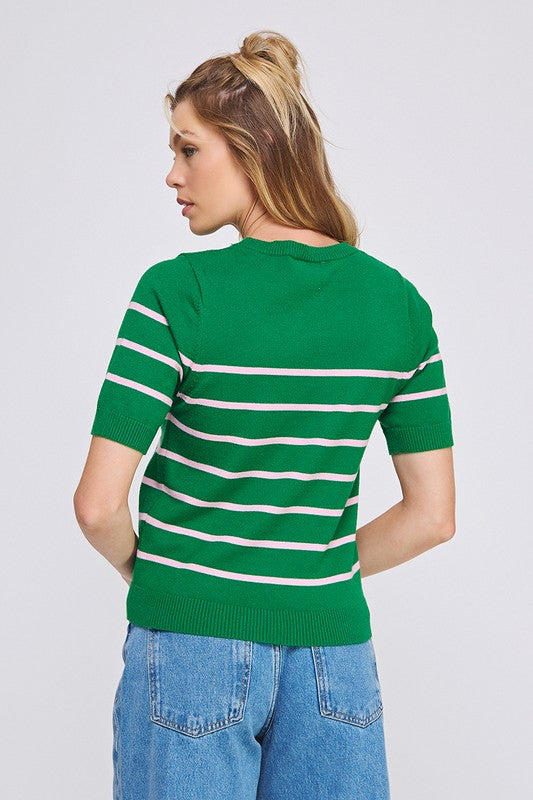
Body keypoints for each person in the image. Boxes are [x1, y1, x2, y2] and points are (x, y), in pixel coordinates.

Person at [73, 29, 455, 800]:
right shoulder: (398, 306)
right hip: (335, 660)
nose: (172, 173)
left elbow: (97, 505)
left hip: (191, 648)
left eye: (189, 150)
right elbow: (432, 517)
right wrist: (310, 570)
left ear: (250, 150)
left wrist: (158, 575)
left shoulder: (177, 294)